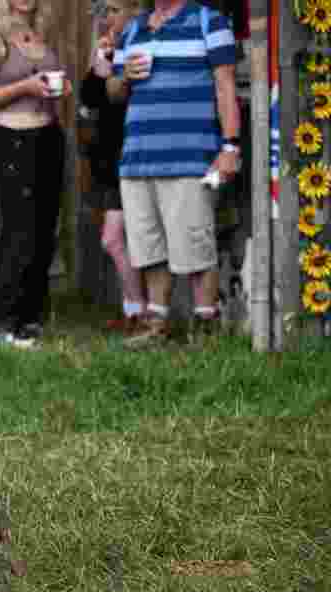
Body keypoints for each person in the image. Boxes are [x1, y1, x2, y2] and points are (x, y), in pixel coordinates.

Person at [107, 0, 240, 347]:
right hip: (138, 157)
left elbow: (225, 86)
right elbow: (113, 91)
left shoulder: (209, 21)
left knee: (196, 247)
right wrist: (124, 77)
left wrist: (230, 146)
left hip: (189, 156)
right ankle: (157, 324)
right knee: (149, 249)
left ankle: (205, 327)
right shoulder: (134, 28)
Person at [0, 0, 70, 349]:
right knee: (18, 230)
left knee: (45, 230)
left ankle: (31, 319)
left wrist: (61, 90)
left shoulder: (43, 35)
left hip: (48, 135)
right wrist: (25, 87)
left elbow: (50, 83)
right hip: (13, 138)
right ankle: (3, 322)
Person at [80, 0, 147, 334]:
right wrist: (98, 66)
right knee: (119, 238)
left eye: (114, 10)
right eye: (104, 11)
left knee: (115, 238)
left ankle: (140, 311)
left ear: (135, 13)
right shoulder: (109, 50)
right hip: (109, 160)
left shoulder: (140, 48)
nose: (107, 18)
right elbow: (90, 99)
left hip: (132, 154)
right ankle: (134, 310)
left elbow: (120, 103)